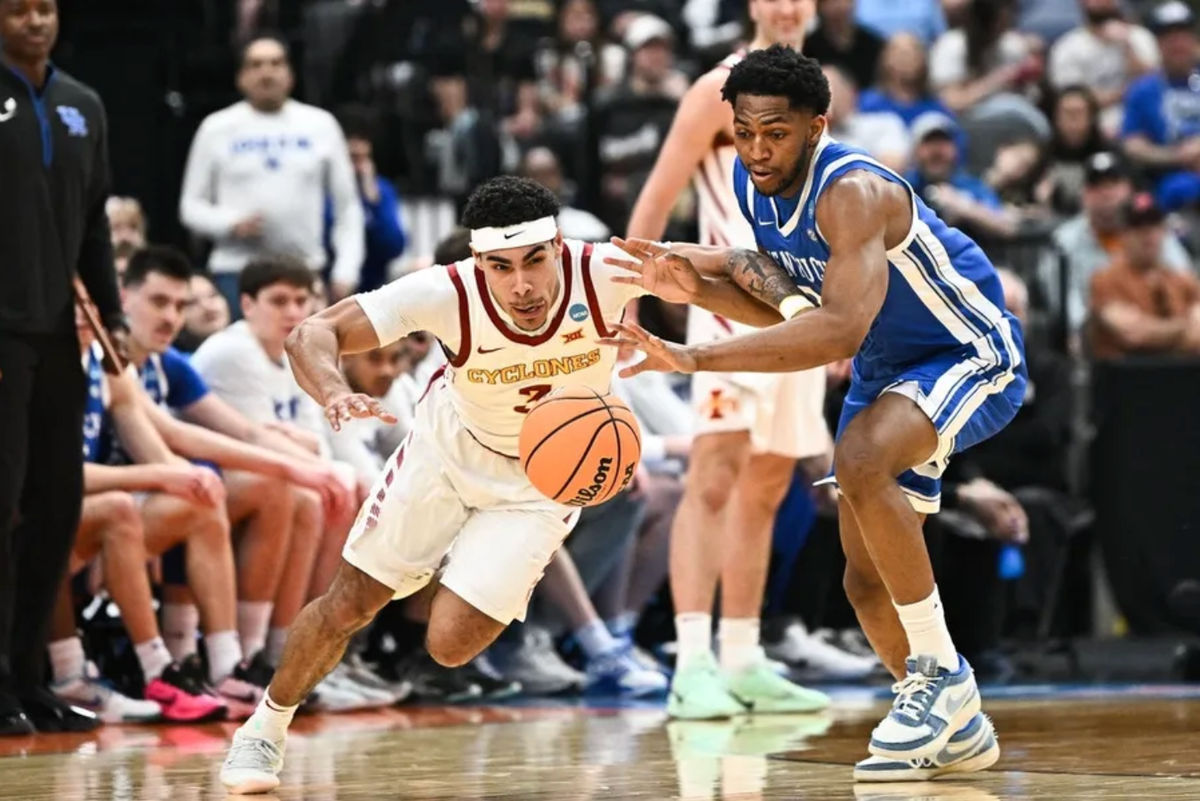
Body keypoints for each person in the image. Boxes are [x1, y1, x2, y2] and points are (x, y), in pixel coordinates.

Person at [218, 175, 781, 793]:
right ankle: (263, 730)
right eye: (501, 266)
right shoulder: (445, 291)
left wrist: (713, 293)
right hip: (446, 456)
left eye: (535, 260)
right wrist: (333, 392)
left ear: (559, 247)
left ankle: (475, 558)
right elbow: (312, 333)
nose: (521, 284)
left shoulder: (608, 269)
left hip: (542, 483)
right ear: (477, 260)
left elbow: (745, 278)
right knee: (351, 602)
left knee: (450, 645)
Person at [606, 46, 1022, 781]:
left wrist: (695, 357)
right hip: (888, 366)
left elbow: (835, 333)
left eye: (776, 133)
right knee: (864, 582)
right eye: (744, 132)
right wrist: (694, 288)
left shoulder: (852, 192)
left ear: (816, 126)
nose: (757, 149)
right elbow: (782, 305)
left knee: (859, 461)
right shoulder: (755, 181)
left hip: (965, 349)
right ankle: (956, 727)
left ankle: (942, 676)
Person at [625, 0, 839, 722]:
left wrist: (837, 318)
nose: (787, 6)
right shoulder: (716, 88)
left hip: (797, 309)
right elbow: (657, 197)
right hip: (725, 305)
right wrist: (629, 300)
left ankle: (744, 657)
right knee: (714, 475)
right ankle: (692, 664)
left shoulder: (815, 90)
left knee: (768, 483)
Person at [0, 0, 124, 735]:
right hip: (4, 332)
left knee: (56, 507)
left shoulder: (84, 103)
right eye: (18, 9)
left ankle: (30, 679)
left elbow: (95, 220)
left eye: (44, 8)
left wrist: (112, 313)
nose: (34, 21)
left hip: (57, 336)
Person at [179, 35, 364, 310]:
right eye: (256, 65)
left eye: (276, 63)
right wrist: (229, 223)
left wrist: (346, 270)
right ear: (241, 77)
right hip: (236, 273)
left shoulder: (321, 125)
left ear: (290, 75)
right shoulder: (215, 128)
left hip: (303, 272)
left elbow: (347, 208)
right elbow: (190, 207)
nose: (266, 73)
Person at [1088, 192, 1200, 359]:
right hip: (1127, 372)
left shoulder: (1183, 280)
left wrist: (1154, 331)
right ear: (1122, 234)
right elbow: (1133, 334)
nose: (1148, 234)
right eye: (1138, 226)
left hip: (1182, 371)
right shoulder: (1104, 280)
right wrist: (1185, 328)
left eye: (1154, 225)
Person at [1120, 1, 1200, 211]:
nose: (1177, 43)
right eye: (1168, 37)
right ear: (1157, 43)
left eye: (1183, 35)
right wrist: (1177, 156)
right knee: (1179, 189)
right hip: (1172, 181)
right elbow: (1132, 145)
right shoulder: (1143, 90)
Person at [1047, 0, 1159, 134]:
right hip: (1091, 125)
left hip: (1140, 121)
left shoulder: (1139, 37)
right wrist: (1125, 93)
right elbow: (1074, 99)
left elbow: (1156, 83)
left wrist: (1127, 45)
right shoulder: (1067, 47)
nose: (1099, 2)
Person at [333, 106, 407, 295]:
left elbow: (393, 246)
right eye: (352, 158)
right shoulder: (324, 191)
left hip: (370, 290)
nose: (358, 168)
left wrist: (373, 203)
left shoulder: (381, 190)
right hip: (329, 286)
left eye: (363, 158)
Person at [803, 0, 885, 91]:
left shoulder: (873, 42)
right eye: (832, 1)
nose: (840, 6)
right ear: (819, 6)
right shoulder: (808, 47)